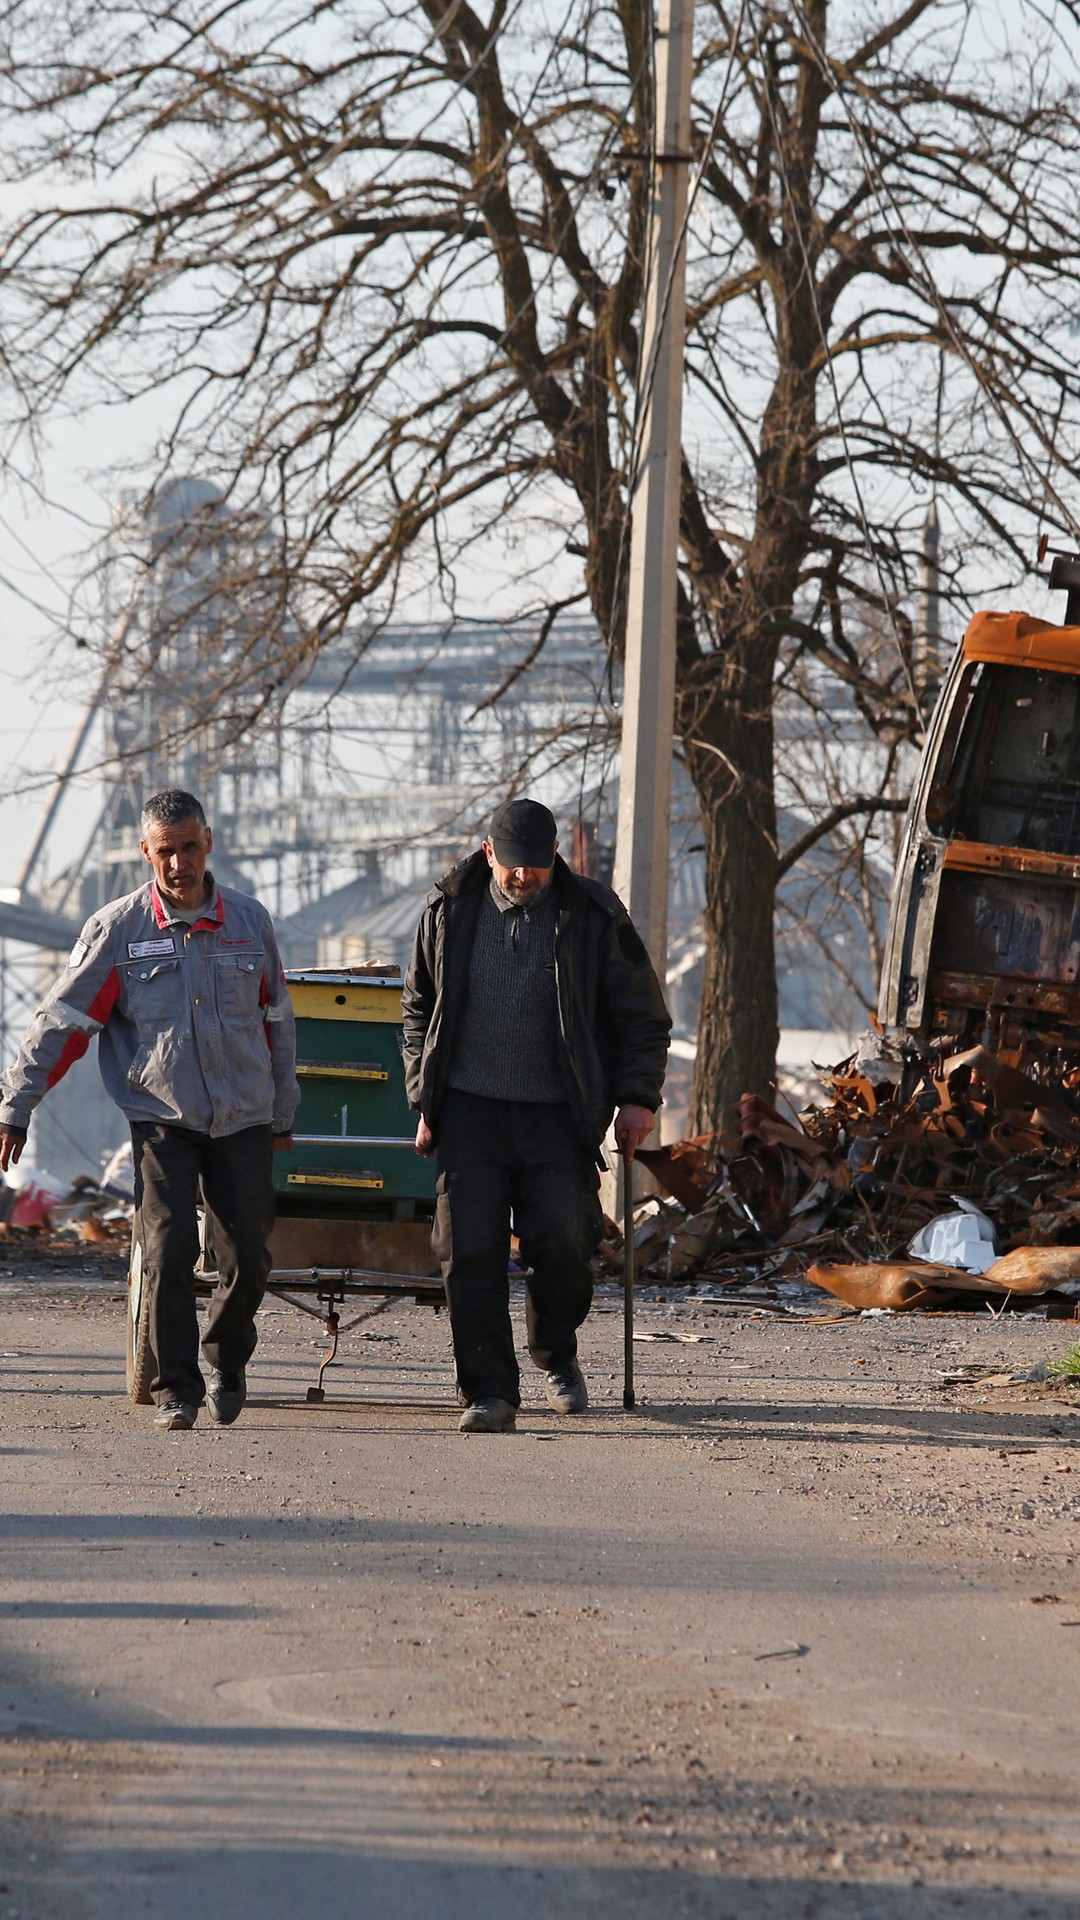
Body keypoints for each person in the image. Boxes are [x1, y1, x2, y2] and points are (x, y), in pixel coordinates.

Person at [0, 789, 299, 1432]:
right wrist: (14, 1107)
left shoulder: (250, 922)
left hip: (244, 1116)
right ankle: (178, 1388)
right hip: (163, 1118)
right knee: (166, 1251)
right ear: (146, 853)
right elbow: (62, 1025)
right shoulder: (119, 930)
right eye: (165, 851)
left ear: (208, 843)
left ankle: (227, 1361)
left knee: (247, 1255)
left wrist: (282, 1110)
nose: (179, 863)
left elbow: (277, 1019)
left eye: (189, 847)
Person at [403, 797, 670, 1433]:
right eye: (512, 866)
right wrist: (424, 1097)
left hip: (559, 1113)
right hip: (469, 1111)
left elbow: (642, 1018)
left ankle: (555, 1353)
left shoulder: (595, 915)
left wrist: (637, 1100)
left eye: (537, 866)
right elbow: (417, 1011)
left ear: (557, 855)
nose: (524, 879)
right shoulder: (448, 912)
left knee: (564, 1243)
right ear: (489, 854)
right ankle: (489, 1391)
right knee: (467, 1251)